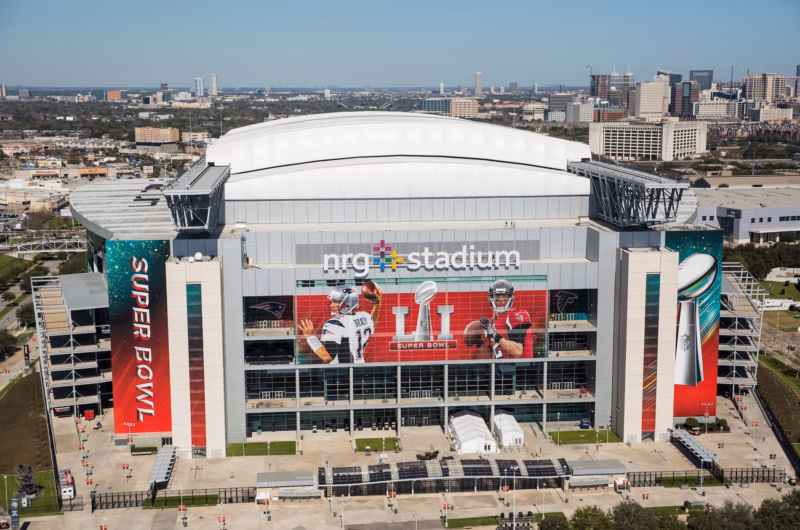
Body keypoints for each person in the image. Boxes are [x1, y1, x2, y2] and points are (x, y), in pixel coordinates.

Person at [298, 284, 382, 363]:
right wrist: (377, 305)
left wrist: (310, 337)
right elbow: (372, 324)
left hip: (342, 372)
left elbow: (327, 357)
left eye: (335, 302)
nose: (331, 305)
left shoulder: (334, 323)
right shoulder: (364, 316)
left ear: (347, 303)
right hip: (361, 368)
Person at [479, 279, 533, 358]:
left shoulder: (516, 315)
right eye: (497, 297)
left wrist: (494, 335)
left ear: (510, 298)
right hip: (500, 368)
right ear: (491, 299)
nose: (501, 300)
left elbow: (518, 351)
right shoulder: (490, 323)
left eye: (504, 297)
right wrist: (478, 343)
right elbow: (489, 357)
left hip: (521, 368)